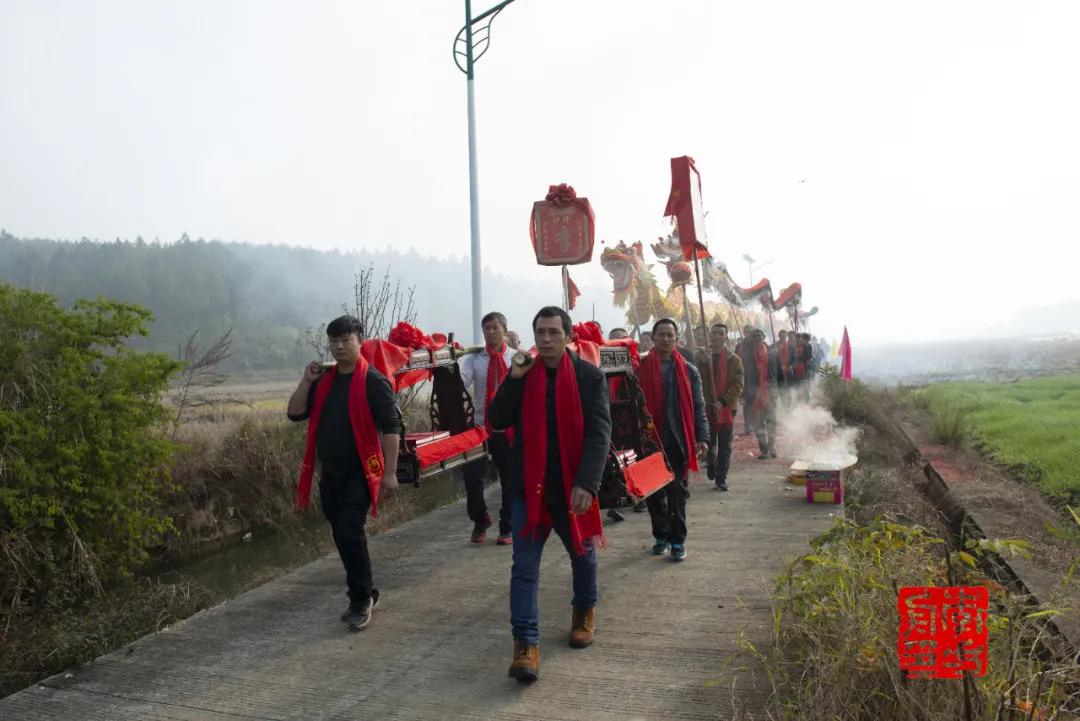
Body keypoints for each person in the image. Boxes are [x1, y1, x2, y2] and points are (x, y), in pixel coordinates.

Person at [489, 306, 612, 682]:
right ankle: (526, 644)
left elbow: (599, 433)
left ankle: (584, 609)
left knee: (582, 554)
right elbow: (496, 420)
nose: (545, 340)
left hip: (572, 485)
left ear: (568, 336)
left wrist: (587, 483)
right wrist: (513, 378)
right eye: (539, 333)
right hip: (531, 487)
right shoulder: (524, 376)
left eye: (553, 333)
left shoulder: (589, 378)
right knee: (524, 568)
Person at [287, 315, 401, 632]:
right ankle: (367, 590)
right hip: (331, 474)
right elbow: (295, 413)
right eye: (334, 341)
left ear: (359, 341)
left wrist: (390, 473)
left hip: (362, 474)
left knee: (350, 532)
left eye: (345, 340)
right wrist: (306, 381)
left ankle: (360, 599)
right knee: (342, 534)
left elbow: (391, 428)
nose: (339, 346)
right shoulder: (324, 380)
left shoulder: (373, 381)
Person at [636, 318, 708, 562]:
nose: (665, 339)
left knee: (677, 493)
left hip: (678, 440)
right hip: (649, 441)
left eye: (670, 335)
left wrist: (702, 436)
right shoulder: (640, 367)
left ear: (677, 339)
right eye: (661, 334)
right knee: (654, 494)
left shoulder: (688, 370)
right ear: (653, 338)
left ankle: (677, 540)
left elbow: (698, 406)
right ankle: (661, 536)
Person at [457, 311, 517, 545]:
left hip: (507, 429)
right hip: (480, 426)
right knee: (471, 476)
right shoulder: (473, 360)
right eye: (486, 328)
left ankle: (507, 526)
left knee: (509, 479)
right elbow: (460, 383)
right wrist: (450, 365)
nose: (490, 332)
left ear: (504, 329)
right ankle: (480, 519)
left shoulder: (516, 358)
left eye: (494, 327)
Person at [696, 323, 745, 491]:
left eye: (720, 333)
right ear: (710, 335)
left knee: (725, 445)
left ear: (726, 336)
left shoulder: (734, 360)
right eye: (714, 333)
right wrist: (701, 361)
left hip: (726, 409)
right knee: (708, 442)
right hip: (706, 407)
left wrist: (723, 401)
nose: (717, 336)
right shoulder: (701, 357)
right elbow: (696, 380)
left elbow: (737, 385)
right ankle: (711, 463)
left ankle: (721, 477)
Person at [744, 329, 778, 459]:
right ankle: (764, 450)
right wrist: (744, 393)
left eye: (759, 335)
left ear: (764, 337)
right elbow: (743, 375)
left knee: (771, 421)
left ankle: (773, 447)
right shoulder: (746, 355)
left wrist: (778, 390)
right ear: (751, 338)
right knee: (758, 424)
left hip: (769, 391)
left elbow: (778, 373)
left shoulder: (772, 352)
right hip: (754, 394)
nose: (757, 337)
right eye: (754, 335)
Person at [736, 325, 757, 436]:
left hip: (756, 378)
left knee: (755, 403)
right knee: (746, 404)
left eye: (749, 331)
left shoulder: (757, 345)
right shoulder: (739, 346)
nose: (747, 333)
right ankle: (748, 425)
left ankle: (754, 424)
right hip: (744, 378)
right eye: (746, 331)